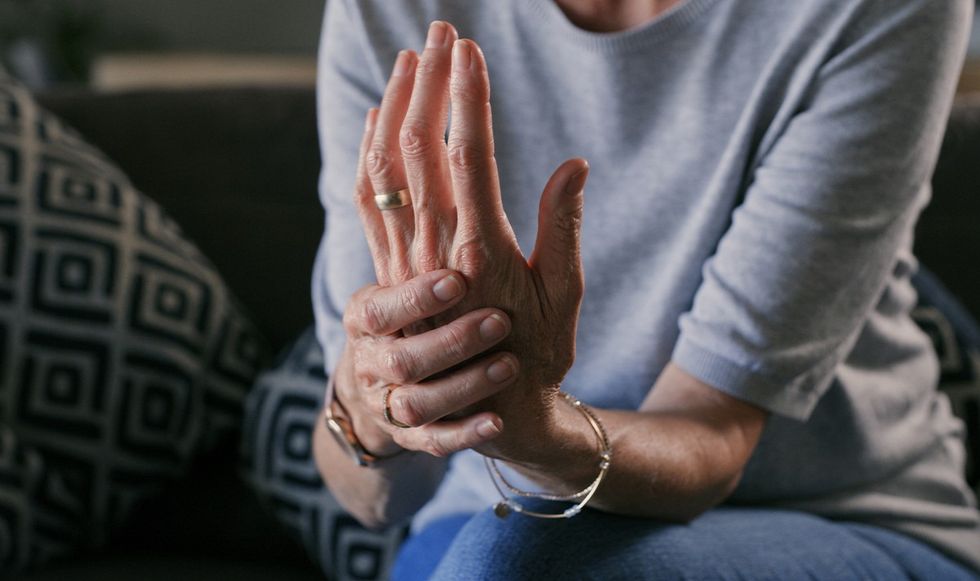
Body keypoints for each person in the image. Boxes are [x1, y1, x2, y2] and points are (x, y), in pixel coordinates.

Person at [311, 0, 980, 578]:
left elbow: (712, 435)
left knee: (517, 564)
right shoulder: (382, 11)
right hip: (485, 519)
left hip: (830, 515)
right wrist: (380, 401)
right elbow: (372, 497)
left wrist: (535, 427)